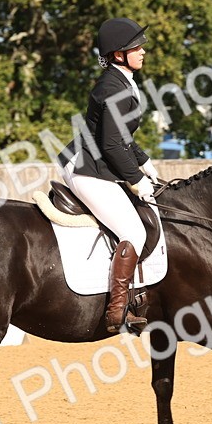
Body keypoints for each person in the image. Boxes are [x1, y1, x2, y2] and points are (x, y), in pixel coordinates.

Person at [57, 17, 159, 333]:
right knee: (134, 231)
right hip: (86, 168)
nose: (142, 51)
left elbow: (119, 134)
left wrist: (144, 161)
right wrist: (135, 178)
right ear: (119, 54)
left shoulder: (123, 81)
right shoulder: (112, 86)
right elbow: (113, 144)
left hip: (97, 163)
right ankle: (118, 311)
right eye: (136, 47)